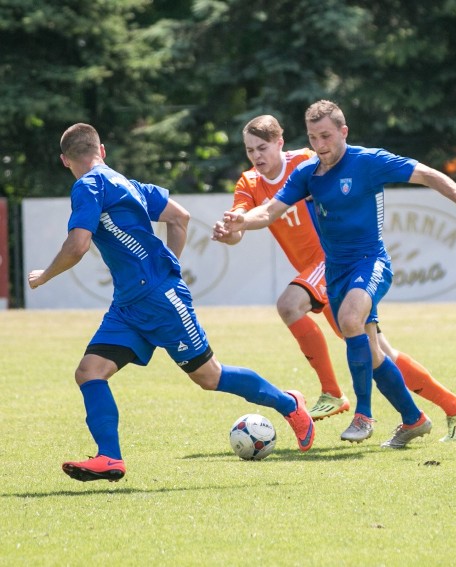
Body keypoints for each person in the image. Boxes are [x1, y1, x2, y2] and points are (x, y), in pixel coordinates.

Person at [28, 123, 315, 483]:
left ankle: (290, 404)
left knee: (209, 377)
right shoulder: (126, 183)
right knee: (89, 372)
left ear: (64, 160)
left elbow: (78, 245)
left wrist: (44, 276)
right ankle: (110, 458)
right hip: (130, 304)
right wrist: (170, 266)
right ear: (102, 150)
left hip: (159, 301)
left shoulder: (86, 185)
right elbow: (180, 217)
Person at [220, 100, 456, 448]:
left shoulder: (365, 161)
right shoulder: (306, 174)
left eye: (326, 136)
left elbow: (428, 174)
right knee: (376, 352)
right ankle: (427, 415)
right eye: (313, 137)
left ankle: (356, 410)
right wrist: (239, 221)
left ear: (343, 132)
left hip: (367, 261)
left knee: (326, 313)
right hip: (336, 271)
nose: (320, 145)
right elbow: (268, 212)